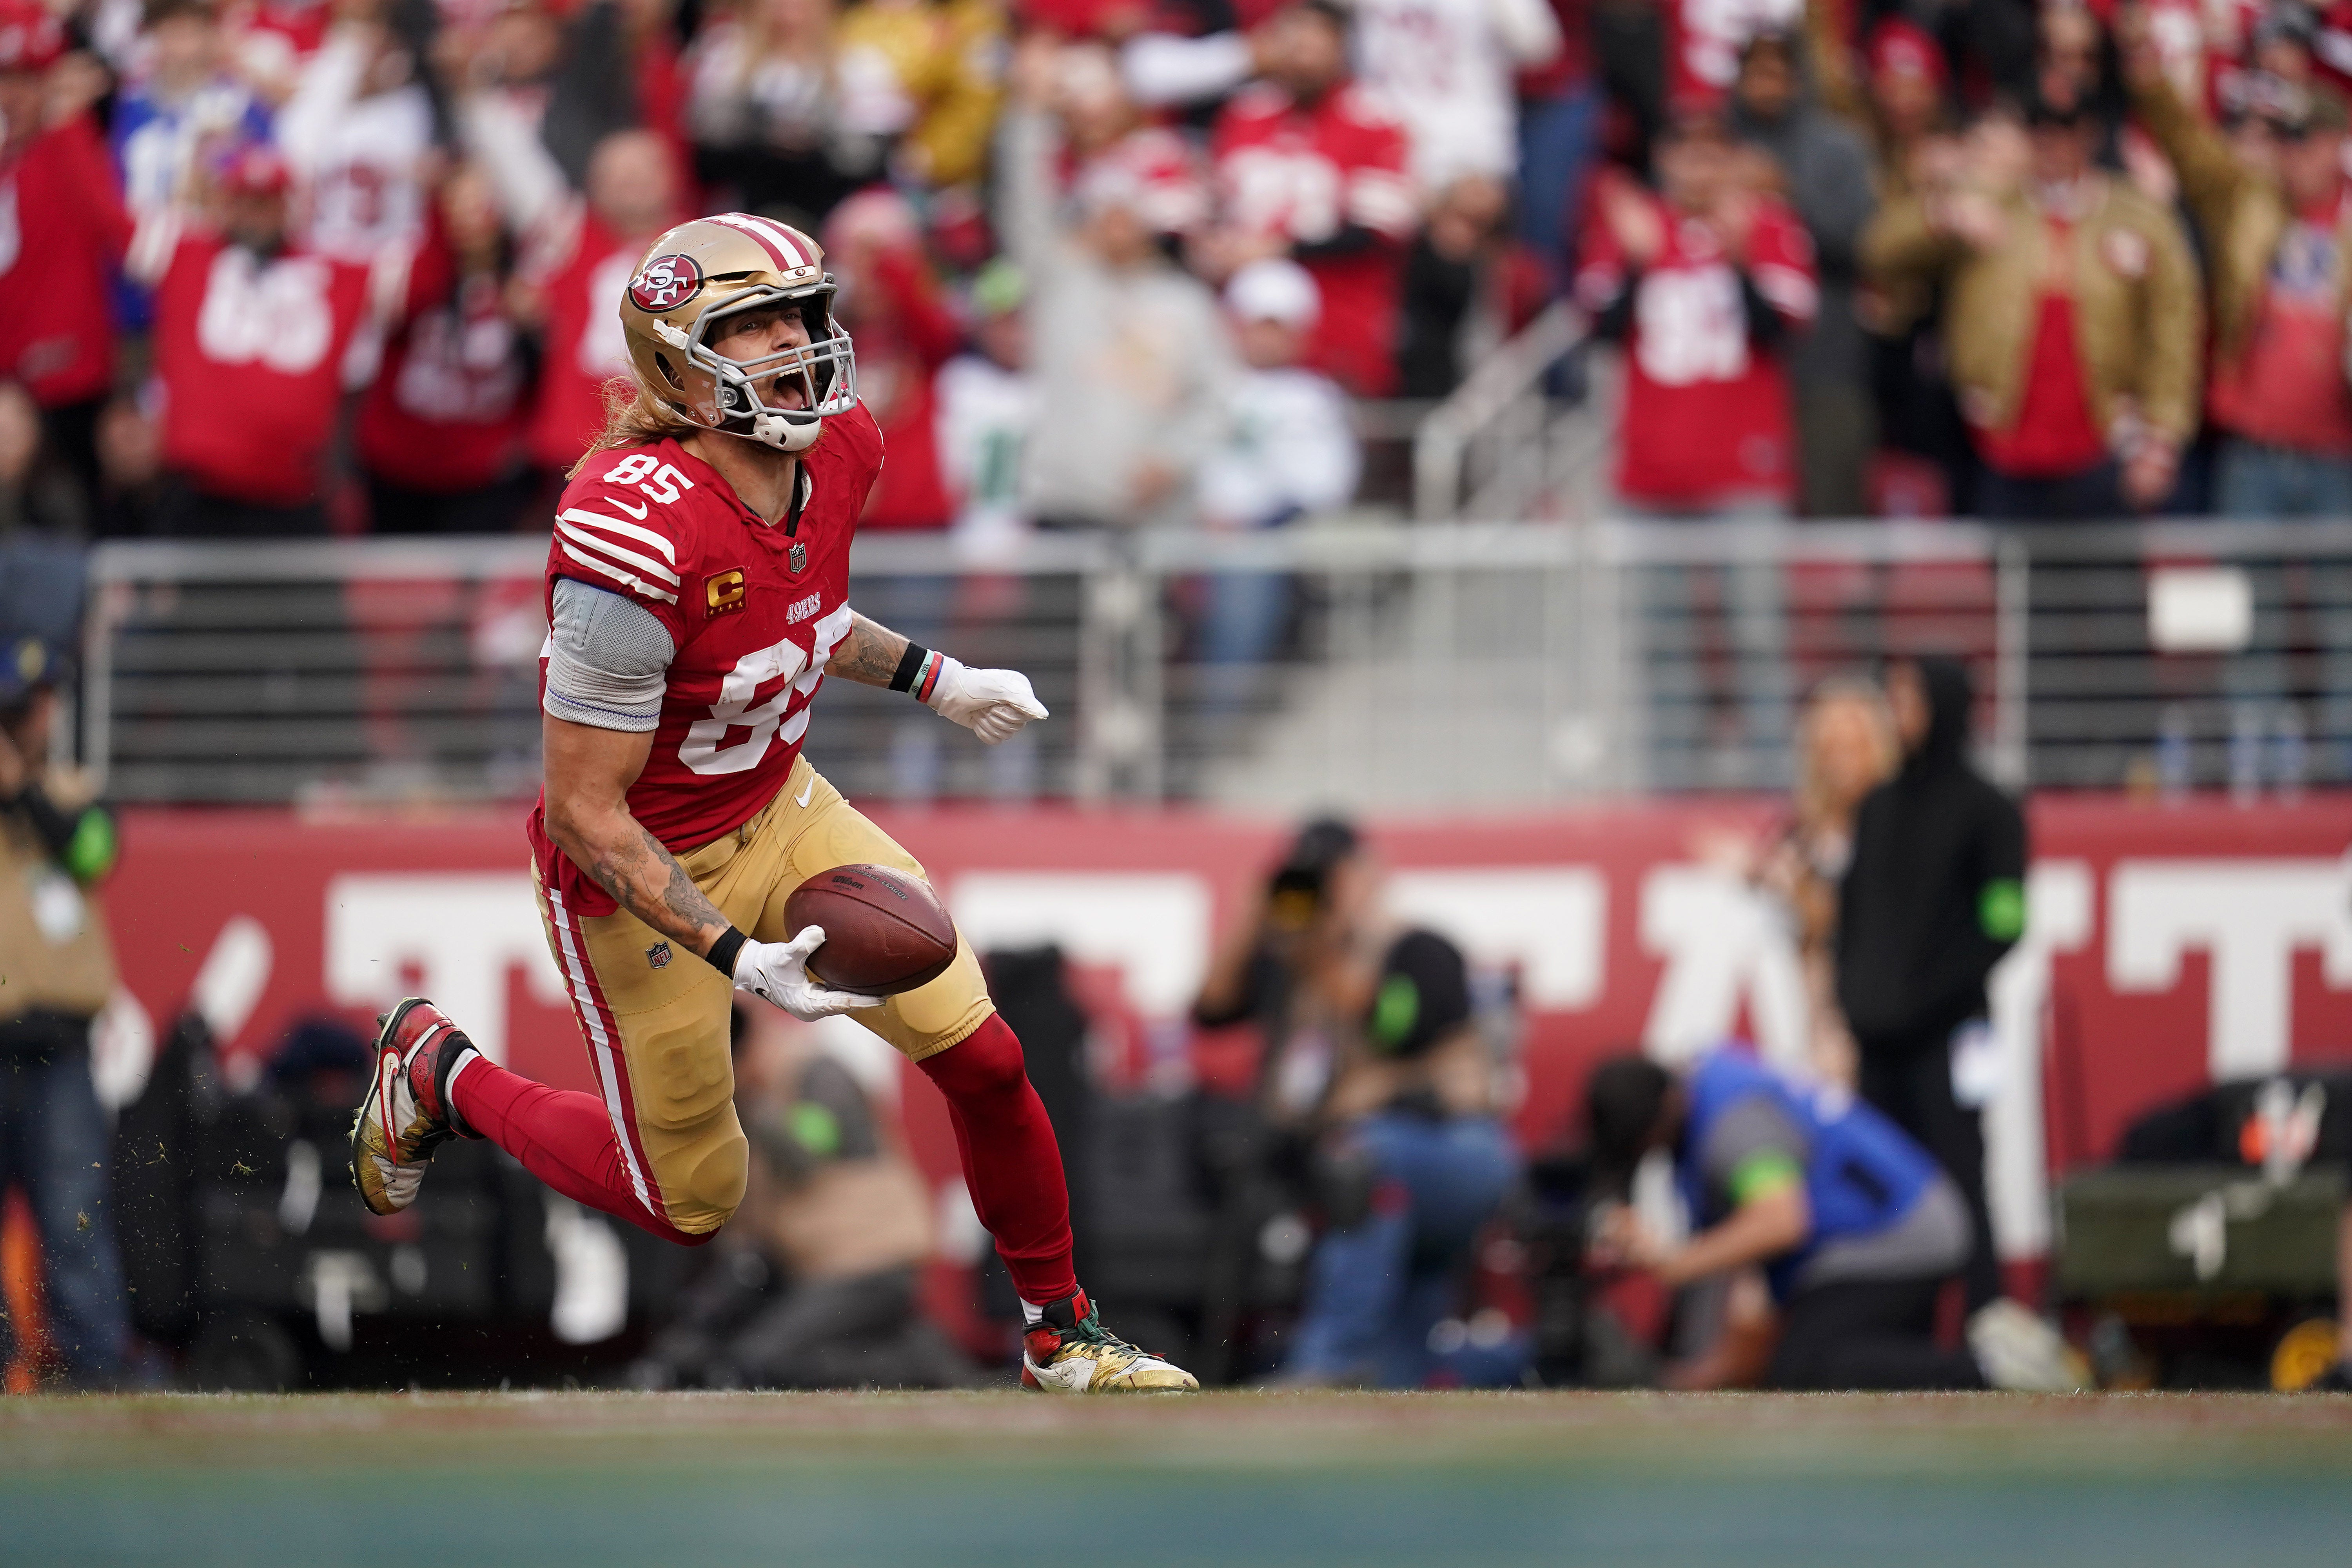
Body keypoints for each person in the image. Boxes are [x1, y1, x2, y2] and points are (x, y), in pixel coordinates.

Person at [347, 211, 1196, 1392]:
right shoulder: (626, 528)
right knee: (692, 1197)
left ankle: (1063, 1332)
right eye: (753, 327)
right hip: (641, 864)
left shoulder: (841, 444)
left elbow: (795, 615)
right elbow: (587, 808)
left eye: (802, 315)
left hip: (782, 803)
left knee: (985, 1054)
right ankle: (441, 1072)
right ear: (679, 361)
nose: (795, 345)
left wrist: (937, 681)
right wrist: (732, 952)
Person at [1192, 818, 1517, 1388]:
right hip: (1383, 1184)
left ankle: (1330, 1359)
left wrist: (1324, 950)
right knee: (1403, 1375)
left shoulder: (1417, 947)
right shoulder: (1294, 966)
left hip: (1454, 1154)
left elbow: (1400, 1027)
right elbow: (1210, 1012)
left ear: (1366, 873)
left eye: (1327, 877)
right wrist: (1253, 920)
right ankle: (1514, 1369)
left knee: (1361, 1159)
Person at [1582, 1047, 2075, 1390]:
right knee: (1834, 1356)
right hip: (1877, 1236)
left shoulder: (1733, 1126)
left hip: (1898, 1235)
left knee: (1809, 1366)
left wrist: (1677, 1262)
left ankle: (1995, 1368)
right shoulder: (1707, 1087)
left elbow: (1781, 1220)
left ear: (1665, 1112)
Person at [1861, 93, 2202, 521]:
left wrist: (2161, 438)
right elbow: (1878, 251)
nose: (2054, 144)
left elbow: (2173, 328)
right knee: (2014, 579)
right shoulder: (1990, 203)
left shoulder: (2136, 215)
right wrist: (1944, 213)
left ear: (2090, 136)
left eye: (2066, 130)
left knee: (2105, 582)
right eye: (2042, 131)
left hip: (2106, 440)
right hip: (2000, 442)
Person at [631, 1007, 979, 1389]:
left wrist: (747, 1102)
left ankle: (918, 1365)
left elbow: (808, 1151)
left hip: (870, 1262)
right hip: (813, 1267)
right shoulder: (754, 1094)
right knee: (736, 1352)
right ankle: (909, 1344)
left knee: (767, 1361)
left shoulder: (816, 1072)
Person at [1835, 654, 2024, 1313]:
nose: (1900, 716)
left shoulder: (1992, 810)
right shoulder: (1878, 808)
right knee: (1879, 1185)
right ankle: (1891, 1332)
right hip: (1879, 1040)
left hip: (1964, 1032)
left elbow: (2005, 925)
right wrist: (1855, 1002)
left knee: (1967, 1175)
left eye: (1912, 701)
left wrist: (1923, 1000)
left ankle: (1986, 1327)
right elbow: (1854, 915)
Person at [131, 142, 393, 535]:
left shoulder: (335, 273)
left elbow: (419, 280)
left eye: (268, 204)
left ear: (289, 209)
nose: (257, 217)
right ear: (226, 205)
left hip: (294, 492)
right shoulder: (185, 255)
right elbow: (104, 219)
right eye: (246, 203)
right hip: (199, 490)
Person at [0, 634, 129, 1387]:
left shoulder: (73, 792)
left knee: (75, 1215)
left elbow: (92, 854)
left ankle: (95, 1367)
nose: (34, 718)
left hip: (59, 1050)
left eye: (40, 703)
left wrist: (21, 791)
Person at [1203, 0, 1418, 397]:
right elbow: (1214, 206)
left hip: (1335, 321)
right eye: (1291, 40)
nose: (1300, 54)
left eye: (1313, 42)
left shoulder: (1375, 120)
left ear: (1341, 47)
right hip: (1239, 322)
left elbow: (1375, 233)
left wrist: (1278, 249)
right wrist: (1212, 246)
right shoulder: (1246, 112)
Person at [1728, 29, 1877, 518]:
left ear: (1799, 78)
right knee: (1749, 513)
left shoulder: (1839, 147)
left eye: (1778, 72)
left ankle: (1853, 599)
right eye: (1757, 72)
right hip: (1738, 365)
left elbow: (1859, 246)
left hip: (1825, 360)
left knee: (1834, 502)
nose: (1767, 85)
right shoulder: (1717, 146)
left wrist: (1787, 198)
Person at [0, 1, 132, 505]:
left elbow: (113, 229)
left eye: (25, 81)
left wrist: (67, 123)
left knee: (81, 510)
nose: (12, 97)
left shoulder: (70, 145)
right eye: (4, 82)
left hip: (71, 382)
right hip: (12, 382)